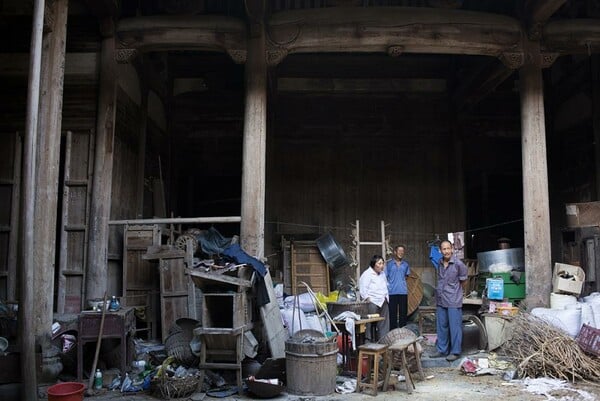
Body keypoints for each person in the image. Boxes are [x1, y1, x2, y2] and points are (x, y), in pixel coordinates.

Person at [430, 240, 468, 362]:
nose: (446, 251)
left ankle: (455, 352)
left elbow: (463, 282)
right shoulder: (440, 263)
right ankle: (442, 350)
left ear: (452, 249)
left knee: (455, 327)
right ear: (440, 251)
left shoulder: (459, 264)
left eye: (448, 248)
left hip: (453, 300)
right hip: (441, 299)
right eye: (443, 249)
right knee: (442, 326)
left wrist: (455, 293)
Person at [359, 254, 390, 341]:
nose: (382, 266)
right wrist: (367, 298)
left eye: (382, 263)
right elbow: (363, 289)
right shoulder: (367, 274)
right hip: (373, 302)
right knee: (369, 323)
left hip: (383, 300)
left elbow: (385, 285)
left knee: (384, 322)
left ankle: (383, 341)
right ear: (374, 264)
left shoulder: (382, 274)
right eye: (379, 263)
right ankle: (368, 340)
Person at [385, 245, 410, 330]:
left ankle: (403, 333)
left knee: (403, 314)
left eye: (402, 251)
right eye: (399, 251)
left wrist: (400, 282)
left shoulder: (405, 264)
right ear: (395, 252)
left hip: (403, 292)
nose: (401, 253)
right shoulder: (389, 264)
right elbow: (385, 277)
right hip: (392, 292)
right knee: (392, 314)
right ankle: (393, 333)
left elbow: (406, 276)